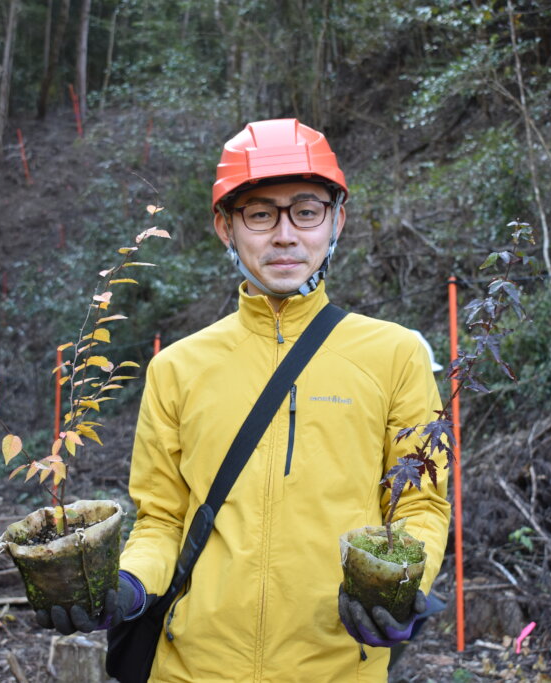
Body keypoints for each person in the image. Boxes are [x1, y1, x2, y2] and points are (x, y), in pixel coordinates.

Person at [36, 118, 451, 681]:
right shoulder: (177, 368)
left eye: (306, 211)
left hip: (336, 668)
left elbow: (419, 506)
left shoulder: (394, 355)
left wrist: (404, 589)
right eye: (260, 213)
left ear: (336, 222)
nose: (285, 235)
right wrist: (127, 588)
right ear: (226, 227)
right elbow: (160, 521)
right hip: (190, 669)